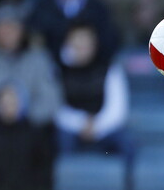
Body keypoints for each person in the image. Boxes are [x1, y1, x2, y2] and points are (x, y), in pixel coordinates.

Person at [54, 23, 133, 157]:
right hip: (72, 128)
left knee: (128, 143)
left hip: (104, 127)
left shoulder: (110, 68)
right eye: (77, 40)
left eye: (86, 40)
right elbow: (56, 108)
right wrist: (80, 123)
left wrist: (96, 126)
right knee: (58, 141)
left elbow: (118, 110)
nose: (82, 46)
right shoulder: (58, 70)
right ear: (68, 43)